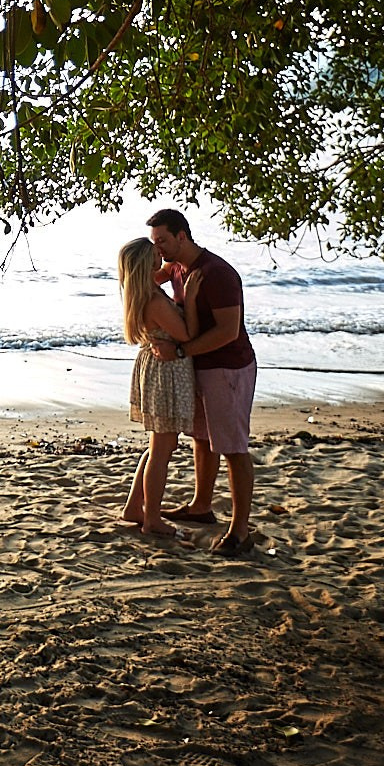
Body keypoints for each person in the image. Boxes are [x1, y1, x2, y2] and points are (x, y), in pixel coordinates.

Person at [146, 208, 258, 556]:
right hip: (199, 365)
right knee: (202, 439)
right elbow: (145, 278)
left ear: (182, 236)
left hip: (227, 367)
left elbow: (228, 331)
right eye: (154, 242)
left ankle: (240, 531)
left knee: (233, 448)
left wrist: (180, 350)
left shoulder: (217, 273)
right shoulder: (177, 266)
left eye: (162, 240)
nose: (158, 248)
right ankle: (201, 506)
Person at [116, 237, 198, 536]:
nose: (161, 256)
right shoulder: (153, 300)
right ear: (148, 263)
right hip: (166, 371)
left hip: (157, 368)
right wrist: (192, 297)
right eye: (156, 255)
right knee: (161, 449)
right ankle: (151, 518)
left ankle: (134, 507)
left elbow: (164, 270)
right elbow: (187, 334)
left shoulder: (143, 293)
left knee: (159, 446)